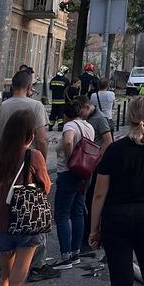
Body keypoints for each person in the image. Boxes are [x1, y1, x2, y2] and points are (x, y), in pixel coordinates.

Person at [89, 97, 144, 286]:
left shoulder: (114, 150)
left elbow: (100, 193)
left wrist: (94, 228)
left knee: (121, 282)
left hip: (116, 217)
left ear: (129, 118)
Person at [0, 71, 57, 284]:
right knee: (31, 220)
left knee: (1, 220)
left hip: (1, 168)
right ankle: (35, 265)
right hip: (26, 169)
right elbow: (42, 139)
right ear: (29, 87)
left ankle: (0, 270)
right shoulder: (35, 107)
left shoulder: (0, 106)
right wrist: (40, 165)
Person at [52, 98, 95, 270]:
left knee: (62, 214)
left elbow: (69, 141)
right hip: (83, 173)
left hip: (68, 172)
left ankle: (65, 255)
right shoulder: (88, 126)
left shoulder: (69, 126)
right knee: (77, 212)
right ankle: (76, 251)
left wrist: (70, 160)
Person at [77, 95, 114, 254]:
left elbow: (108, 141)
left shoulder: (99, 119)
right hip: (90, 163)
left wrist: (97, 159)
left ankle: (94, 232)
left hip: (97, 164)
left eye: (81, 112)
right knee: (88, 198)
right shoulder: (91, 118)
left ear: (87, 107)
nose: (81, 116)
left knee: (92, 198)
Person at [48, 66, 70, 131]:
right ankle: (60, 126)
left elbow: (51, 88)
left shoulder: (53, 80)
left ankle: (50, 125)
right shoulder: (66, 80)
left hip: (54, 100)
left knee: (53, 113)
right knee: (60, 114)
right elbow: (67, 90)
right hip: (62, 101)